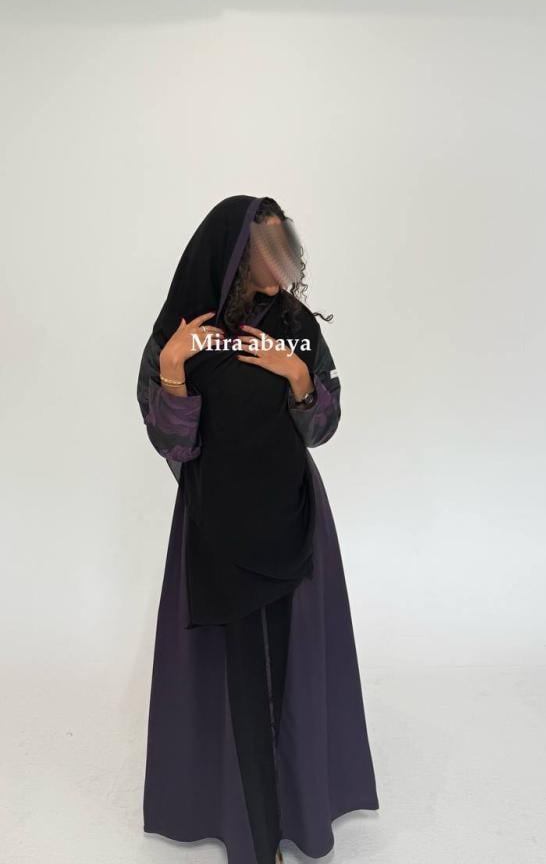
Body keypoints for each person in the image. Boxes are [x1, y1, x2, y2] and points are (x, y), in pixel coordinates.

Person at [136, 195, 380, 864]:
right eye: (268, 250)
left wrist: (297, 374)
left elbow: (323, 427)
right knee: (237, 678)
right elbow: (173, 446)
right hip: (215, 524)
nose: (285, 262)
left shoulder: (297, 327)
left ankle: (292, 817)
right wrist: (173, 371)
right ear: (235, 256)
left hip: (292, 519)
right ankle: (252, 833)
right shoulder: (182, 333)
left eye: (287, 247)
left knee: (289, 672)